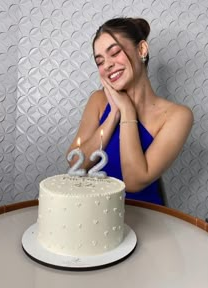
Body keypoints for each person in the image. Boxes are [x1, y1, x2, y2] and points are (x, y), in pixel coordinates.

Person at [66, 17, 193, 205]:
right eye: (100, 62)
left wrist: (127, 111)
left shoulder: (178, 116)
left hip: (148, 217)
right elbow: (77, 161)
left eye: (115, 52)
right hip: (96, 214)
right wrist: (113, 115)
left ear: (141, 50)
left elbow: (133, 181)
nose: (107, 65)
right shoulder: (98, 101)